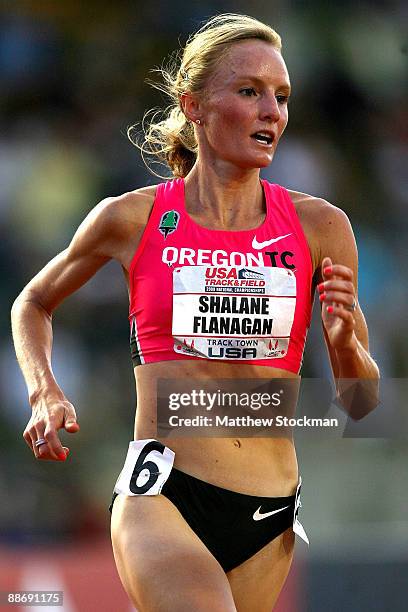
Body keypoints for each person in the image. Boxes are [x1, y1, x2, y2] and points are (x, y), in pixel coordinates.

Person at [11, 13, 380, 612]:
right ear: (196, 105)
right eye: (249, 91)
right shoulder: (131, 218)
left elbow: (361, 404)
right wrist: (44, 391)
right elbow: (32, 301)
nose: (272, 112)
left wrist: (344, 343)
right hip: (164, 496)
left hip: (269, 515)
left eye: (281, 96)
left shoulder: (321, 227)